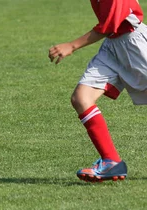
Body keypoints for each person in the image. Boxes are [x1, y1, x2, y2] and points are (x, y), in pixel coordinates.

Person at [48, 0, 147, 182]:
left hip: (136, 46)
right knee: (81, 98)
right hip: (112, 47)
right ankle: (111, 161)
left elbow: (109, 25)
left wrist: (71, 45)